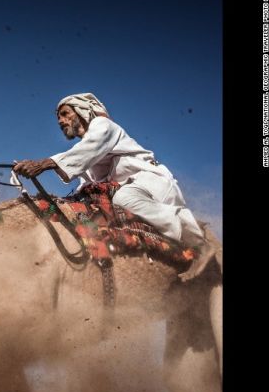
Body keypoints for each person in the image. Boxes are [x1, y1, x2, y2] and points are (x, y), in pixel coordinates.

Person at [12, 93, 216, 279]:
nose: (60, 121)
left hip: (150, 182)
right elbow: (86, 180)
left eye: (65, 114)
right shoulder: (88, 153)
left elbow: (87, 150)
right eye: (58, 118)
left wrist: (43, 164)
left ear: (84, 110)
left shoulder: (103, 126)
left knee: (123, 199)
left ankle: (197, 243)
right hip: (128, 187)